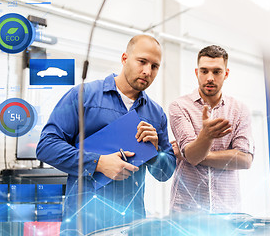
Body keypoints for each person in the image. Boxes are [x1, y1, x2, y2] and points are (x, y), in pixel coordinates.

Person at [36, 35, 176, 235]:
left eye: (155, 66)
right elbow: (46, 146)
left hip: (131, 224)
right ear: (124, 58)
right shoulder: (83, 96)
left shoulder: (156, 113)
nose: (147, 71)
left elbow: (164, 173)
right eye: (142, 61)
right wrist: (98, 163)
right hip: (83, 223)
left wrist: (155, 151)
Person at [169, 45, 254, 214]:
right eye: (204, 71)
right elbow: (192, 155)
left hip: (227, 211)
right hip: (186, 212)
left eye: (216, 72)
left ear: (226, 74)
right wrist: (205, 138)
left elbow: (245, 160)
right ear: (196, 72)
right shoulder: (179, 106)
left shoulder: (239, 110)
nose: (209, 78)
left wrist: (195, 151)